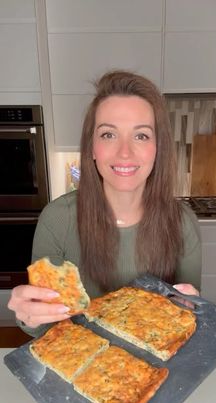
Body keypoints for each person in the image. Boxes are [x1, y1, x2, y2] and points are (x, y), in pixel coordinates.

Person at [8, 70, 201, 338]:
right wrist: (30, 316)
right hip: (80, 364)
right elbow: (45, 329)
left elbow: (188, 320)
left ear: (158, 149)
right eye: (109, 135)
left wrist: (190, 307)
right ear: (91, 149)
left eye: (141, 136)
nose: (124, 152)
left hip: (155, 366)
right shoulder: (57, 219)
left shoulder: (183, 222)